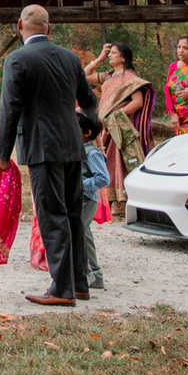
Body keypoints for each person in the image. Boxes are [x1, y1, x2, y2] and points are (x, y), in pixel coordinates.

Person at [0, 4, 98, 308]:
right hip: (72, 146)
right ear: (48, 28)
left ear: (19, 26)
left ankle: (62, 289)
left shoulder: (17, 60)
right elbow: (89, 101)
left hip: (41, 147)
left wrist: (3, 154)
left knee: (52, 216)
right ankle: (79, 284)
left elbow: (9, 109)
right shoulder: (70, 58)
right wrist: (90, 129)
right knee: (73, 216)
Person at [84, 42, 152, 217]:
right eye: (109, 53)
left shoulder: (130, 78)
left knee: (120, 161)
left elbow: (138, 102)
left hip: (121, 126)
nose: (110, 56)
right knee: (107, 161)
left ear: (123, 57)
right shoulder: (108, 76)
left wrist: (117, 115)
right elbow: (83, 75)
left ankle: (123, 202)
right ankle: (110, 202)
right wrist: (98, 58)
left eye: (113, 53)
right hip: (106, 126)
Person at [76, 113, 110, 294]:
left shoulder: (93, 153)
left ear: (87, 133)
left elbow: (104, 179)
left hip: (87, 200)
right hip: (80, 200)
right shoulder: (78, 149)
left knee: (80, 235)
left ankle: (89, 274)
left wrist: (81, 186)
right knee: (84, 235)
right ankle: (96, 276)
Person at [163, 36, 188, 134]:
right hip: (178, 117)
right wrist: (172, 113)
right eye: (179, 47)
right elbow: (167, 89)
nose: (181, 51)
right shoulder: (174, 66)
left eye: (185, 48)